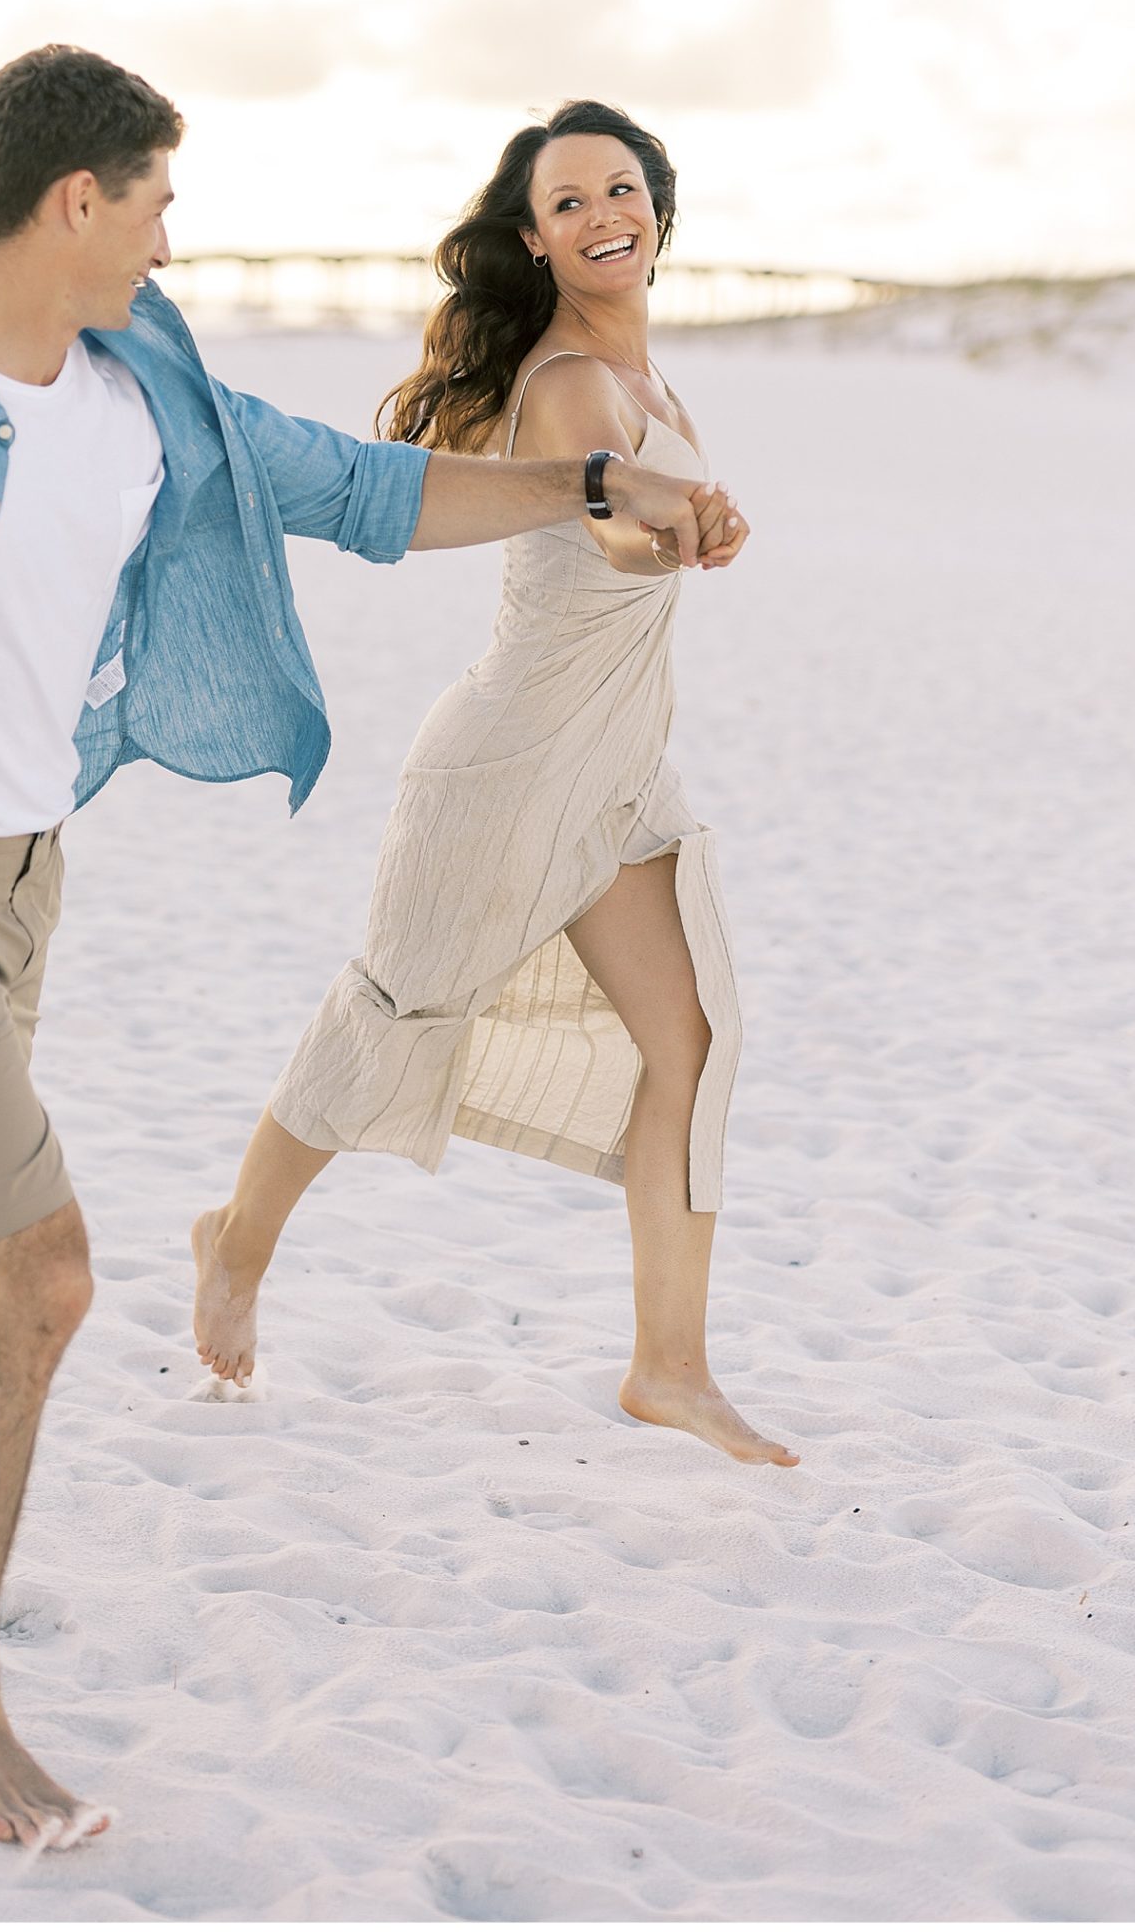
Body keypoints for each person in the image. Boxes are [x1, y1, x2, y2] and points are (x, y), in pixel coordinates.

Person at [0, 50, 733, 1854]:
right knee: (37, 1276)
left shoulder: (140, 383)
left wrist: (596, 485)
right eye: (155, 201)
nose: (171, 237)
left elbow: (358, 491)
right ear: (75, 201)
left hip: (18, 878)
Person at [191, 100, 794, 1470]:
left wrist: (701, 528)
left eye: (620, 189)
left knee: (692, 1042)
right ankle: (235, 1242)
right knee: (392, 1015)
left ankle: (668, 1368)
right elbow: (613, 527)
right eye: (567, 202)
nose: (601, 216)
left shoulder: (653, 383)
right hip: (512, 768)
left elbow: (656, 528)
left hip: (614, 768)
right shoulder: (573, 387)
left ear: (659, 212)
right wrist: (670, 533)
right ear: (534, 240)